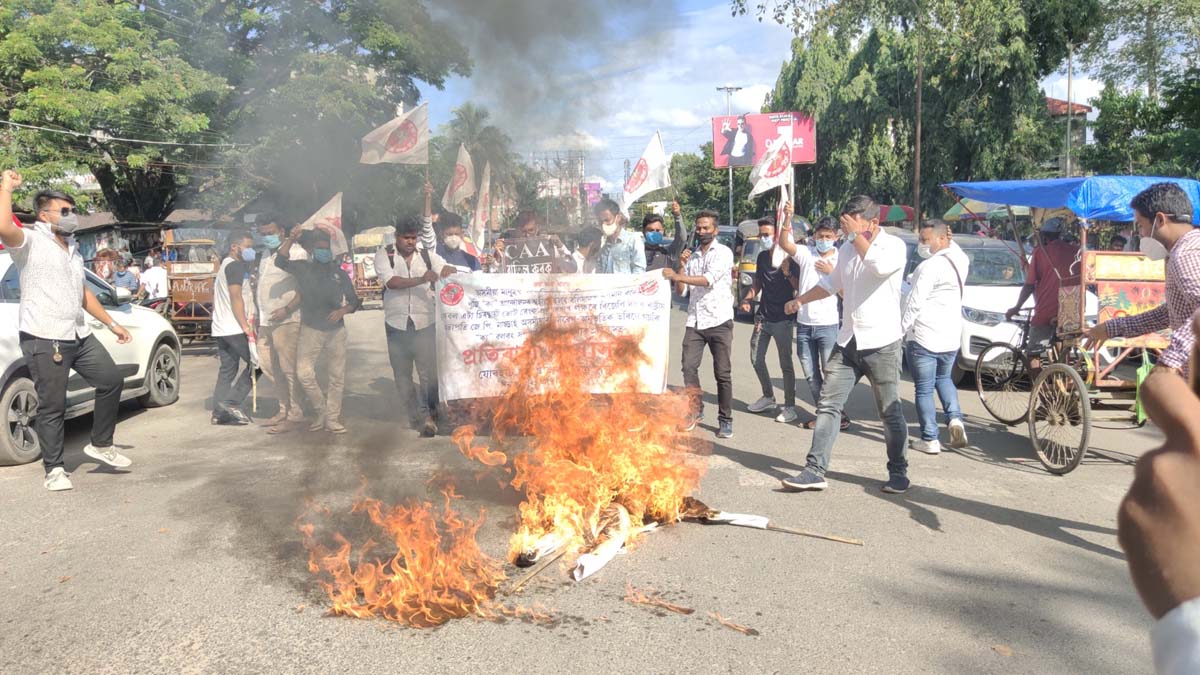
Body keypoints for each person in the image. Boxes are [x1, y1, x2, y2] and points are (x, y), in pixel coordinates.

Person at [0, 172, 133, 491]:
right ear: (44, 215)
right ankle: (54, 469)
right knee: (52, 404)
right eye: (65, 210)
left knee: (111, 380)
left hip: (78, 334)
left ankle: (101, 444)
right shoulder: (30, 241)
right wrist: (6, 186)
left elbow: (84, 293)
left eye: (73, 210)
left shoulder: (71, 249)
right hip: (44, 337)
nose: (71, 216)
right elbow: (4, 227)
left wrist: (113, 323)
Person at [781, 195, 910, 494]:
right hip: (848, 341)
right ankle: (814, 470)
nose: (846, 229)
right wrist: (800, 300)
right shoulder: (847, 249)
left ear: (873, 222)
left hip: (882, 343)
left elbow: (877, 267)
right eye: (845, 223)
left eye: (852, 222)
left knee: (890, 413)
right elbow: (830, 285)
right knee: (828, 405)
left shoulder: (893, 247)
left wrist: (854, 238)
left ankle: (899, 471)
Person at [1085, 183, 1199, 378]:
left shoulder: (1186, 255)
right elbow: (1170, 312)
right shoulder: (1183, 251)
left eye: (1140, 225)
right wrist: (1111, 328)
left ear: (1160, 219)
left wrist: (1167, 362)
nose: (1140, 233)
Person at [375, 217, 457, 436]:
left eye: (413, 237)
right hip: (397, 324)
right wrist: (422, 279)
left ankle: (432, 415)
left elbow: (446, 268)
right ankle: (415, 415)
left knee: (428, 373)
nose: (410, 242)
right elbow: (391, 283)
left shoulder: (428, 256)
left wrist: (448, 269)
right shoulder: (385, 255)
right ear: (397, 237)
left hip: (425, 322)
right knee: (402, 376)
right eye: (406, 237)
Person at [276, 227, 361, 434]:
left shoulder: (340, 274)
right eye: (320, 248)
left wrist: (343, 310)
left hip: (336, 331)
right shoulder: (303, 268)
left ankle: (332, 418)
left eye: (327, 248)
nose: (324, 252)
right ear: (313, 250)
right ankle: (320, 410)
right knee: (303, 373)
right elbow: (280, 261)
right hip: (310, 328)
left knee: (336, 377)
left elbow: (355, 301)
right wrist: (290, 238)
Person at [663, 210, 735, 439]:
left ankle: (725, 419)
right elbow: (682, 292)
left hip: (719, 320)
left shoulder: (723, 253)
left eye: (706, 228)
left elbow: (708, 281)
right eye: (699, 228)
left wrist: (676, 275)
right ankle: (695, 410)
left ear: (716, 230)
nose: (702, 232)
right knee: (688, 367)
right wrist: (682, 267)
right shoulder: (692, 256)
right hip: (694, 321)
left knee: (722, 373)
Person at [901, 220, 970, 455]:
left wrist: (900, 330)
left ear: (941, 240)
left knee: (923, 388)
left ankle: (930, 438)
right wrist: (952, 238)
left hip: (924, 336)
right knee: (945, 379)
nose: (922, 244)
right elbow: (956, 249)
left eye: (925, 240)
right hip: (950, 336)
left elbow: (914, 303)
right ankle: (955, 419)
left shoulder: (928, 268)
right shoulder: (961, 261)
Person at [778, 213, 848, 430]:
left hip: (828, 325)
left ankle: (834, 415)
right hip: (805, 324)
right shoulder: (806, 253)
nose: (824, 239)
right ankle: (828, 414)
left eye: (828, 236)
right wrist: (786, 219)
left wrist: (832, 273)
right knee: (810, 373)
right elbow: (784, 243)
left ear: (836, 237)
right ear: (815, 235)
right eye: (820, 235)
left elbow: (847, 295)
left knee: (830, 372)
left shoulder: (842, 259)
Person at [742, 217, 800, 422]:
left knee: (786, 363)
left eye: (766, 235)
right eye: (761, 235)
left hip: (783, 320)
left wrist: (787, 273)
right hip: (763, 317)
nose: (762, 238)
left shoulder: (790, 258)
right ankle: (768, 396)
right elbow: (758, 282)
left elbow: (798, 287)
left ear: (777, 236)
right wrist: (748, 298)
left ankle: (790, 406)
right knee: (756, 358)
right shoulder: (762, 257)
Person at [253, 215, 305, 433]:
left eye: (271, 233)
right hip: (265, 320)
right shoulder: (265, 254)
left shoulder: (297, 253)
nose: (267, 238)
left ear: (282, 231)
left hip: (287, 320)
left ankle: (295, 413)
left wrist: (287, 309)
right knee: (268, 365)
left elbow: (306, 287)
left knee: (288, 368)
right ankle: (283, 408)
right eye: (263, 234)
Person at [1004, 217, 1080, 361]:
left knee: (1033, 353)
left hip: (1047, 309)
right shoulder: (1076, 251)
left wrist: (1017, 307)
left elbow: (1029, 285)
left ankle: (1038, 383)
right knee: (1063, 346)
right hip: (1072, 309)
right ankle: (1062, 376)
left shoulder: (1040, 252)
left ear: (1044, 235)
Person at [210, 232, 258, 426]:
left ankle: (218, 413)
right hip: (235, 327)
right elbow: (236, 297)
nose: (251, 251)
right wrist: (246, 327)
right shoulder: (235, 266)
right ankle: (232, 403)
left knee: (228, 370)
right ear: (234, 246)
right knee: (258, 364)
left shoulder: (225, 265)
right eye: (247, 246)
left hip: (222, 327)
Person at [594, 198, 646, 274]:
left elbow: (639, 271)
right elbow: (599, 271)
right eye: (600, 221)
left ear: (618, 217)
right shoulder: (602, 245)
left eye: (607, 220)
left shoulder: (633, 240)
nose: (603, 224)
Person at [643, 201, 691, 272]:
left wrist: (677, 215)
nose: (654, 233)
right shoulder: (637, 252)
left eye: (658, 230)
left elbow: (682, 238)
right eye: (651, 230)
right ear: (643, 232)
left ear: (662, 231)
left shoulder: (669, 252)